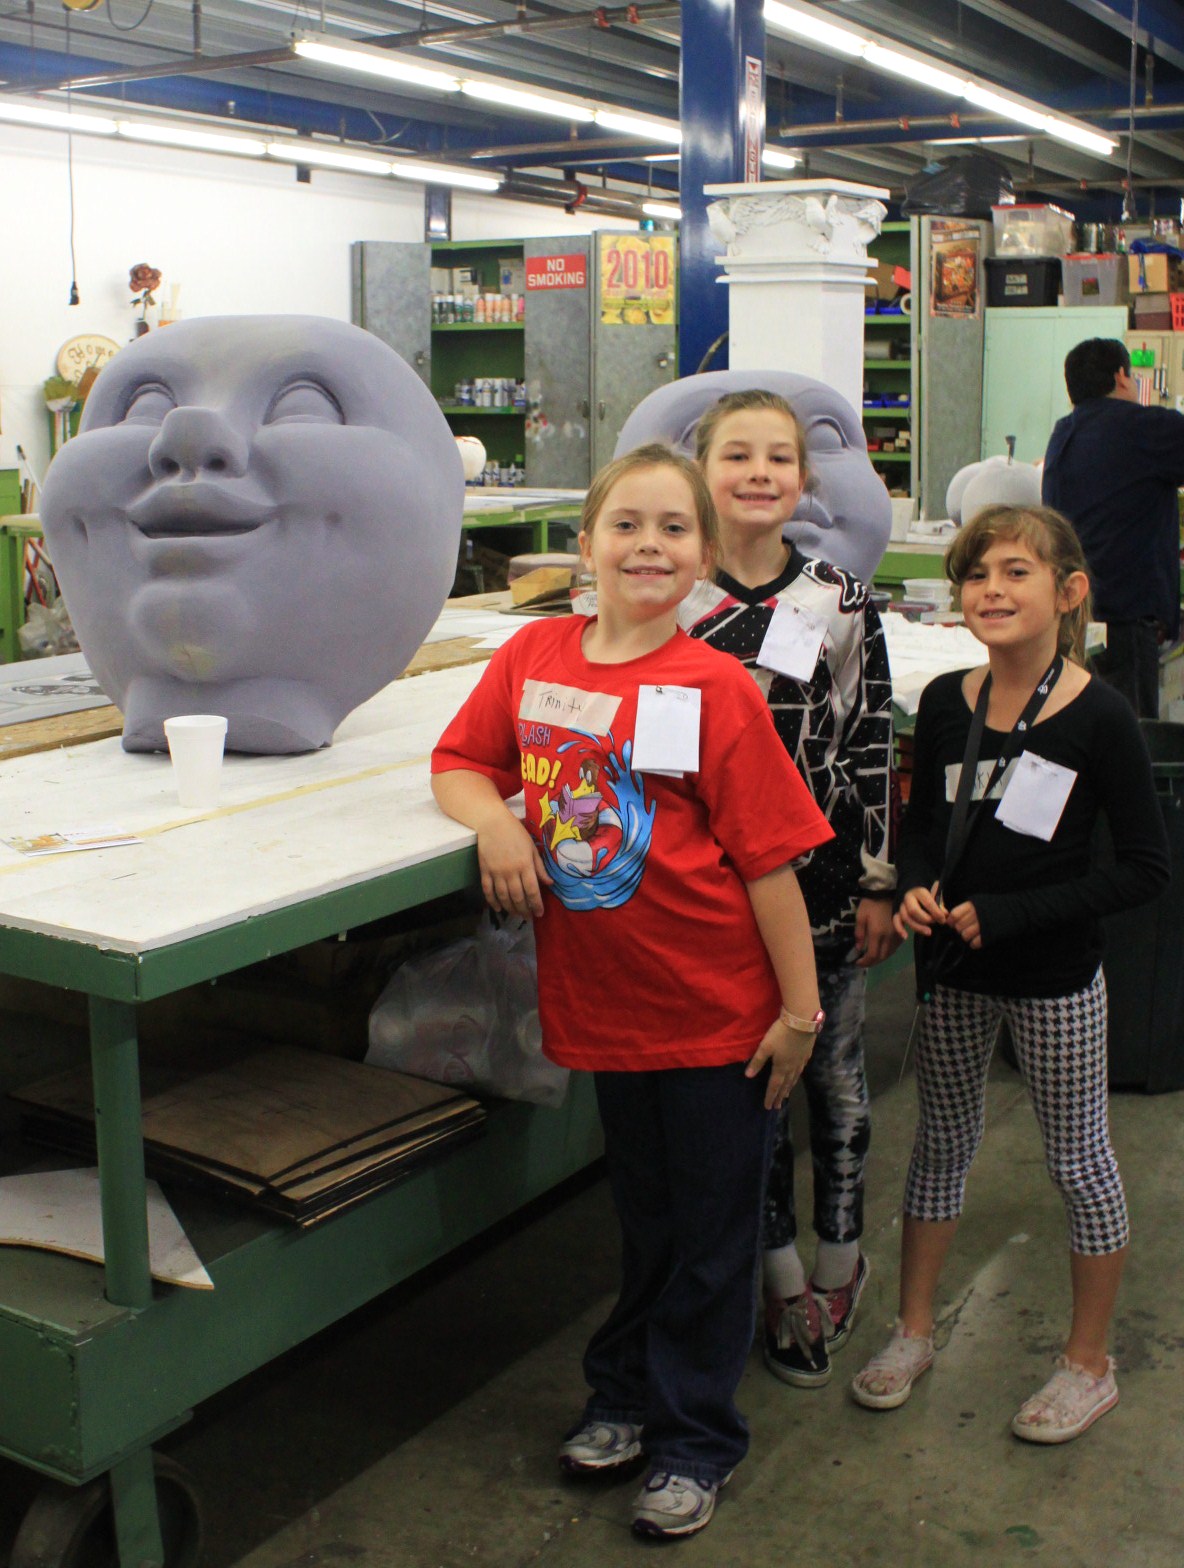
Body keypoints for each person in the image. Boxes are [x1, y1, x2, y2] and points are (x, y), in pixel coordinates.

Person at [431, 443, 834, 1539]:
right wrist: (498, 819)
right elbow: (459, 762)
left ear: (702, 555)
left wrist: (797, 1017)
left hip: (717, 1016)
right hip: (604, 1009)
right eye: (625, 524)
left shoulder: (712, 686)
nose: (646, 545)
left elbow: (768, 864)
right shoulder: (534, 653)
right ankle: (622, 1392)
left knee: (710, 1235)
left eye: (670, 528)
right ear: (585, 543)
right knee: (647, 1222)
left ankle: (694, 1437)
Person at [851, 503, 1169, 1443]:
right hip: (954, 970)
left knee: (1080, 1160)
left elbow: (1145, 869)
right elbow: (919, 829)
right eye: (978, 573)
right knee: (940, 1144)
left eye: (1018, 572)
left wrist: (1017, 914)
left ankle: (1088, 1362)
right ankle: (913, 1330)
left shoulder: (1101, 717)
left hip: (1055, 978)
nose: (992, 588)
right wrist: (914, 888)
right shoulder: (948, 703)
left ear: (1069, 594)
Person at [679, 388, 898, 1391]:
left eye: (779, 456)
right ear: (702, 466)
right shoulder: (671, 600)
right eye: (737, 455)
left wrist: (877, 879)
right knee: (751, 1097)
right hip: (710, 896)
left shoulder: (836, 601)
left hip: (815, 884)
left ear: (804, 481)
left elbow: (870, 743)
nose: (759, 472)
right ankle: (777, 1281)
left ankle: (841, 1261)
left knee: (834, 1080)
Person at [1042, 336, 1184, 718]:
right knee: (1132, 743)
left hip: (1070, 618)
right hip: (1126, 620)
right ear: (1122, 377)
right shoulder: (1144, 427)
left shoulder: (1063, 433)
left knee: (1080, 734)